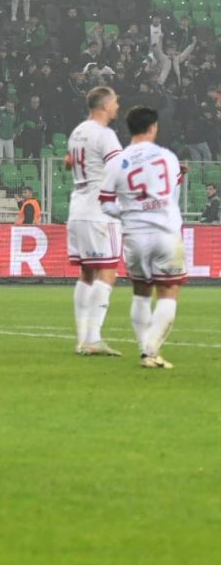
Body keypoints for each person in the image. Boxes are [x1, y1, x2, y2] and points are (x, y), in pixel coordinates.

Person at [98, 107, 185, 369]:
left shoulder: (117, 161)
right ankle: (151, 351)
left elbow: (105, 203)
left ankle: (144, 350)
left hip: (135, 236)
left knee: (141, 293)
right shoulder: (168, 157)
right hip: (166, 232)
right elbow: (174, 195)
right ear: (153, 127)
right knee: (168, 292)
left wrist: (128, 214)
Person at [66, 86, 123, 357]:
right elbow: (120, 170)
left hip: (77, 209)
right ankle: (93, 338)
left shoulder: (78, 132)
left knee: (87, 273)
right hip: (101, 212)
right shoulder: (105, 135)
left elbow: (69, 162)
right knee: (108, 272)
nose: (117, 106)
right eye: (115, 102)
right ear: (104, 105)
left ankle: (82, 339)